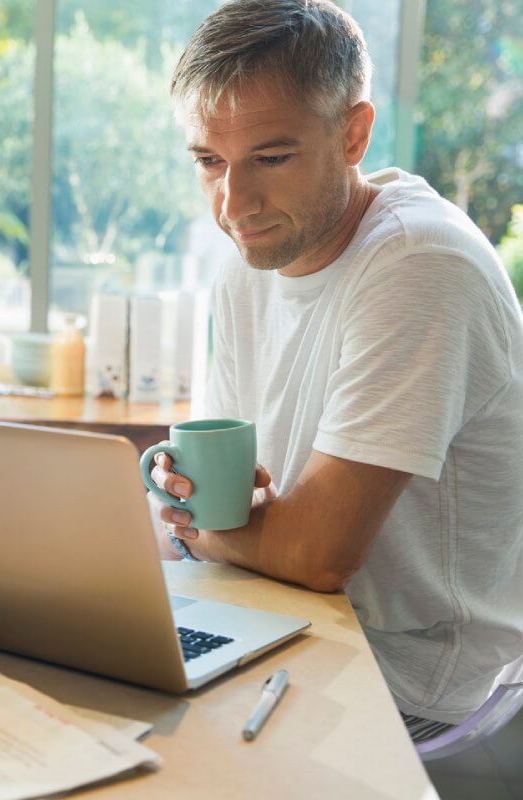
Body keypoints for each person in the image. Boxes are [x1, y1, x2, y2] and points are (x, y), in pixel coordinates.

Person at [148, 0, 523, 738]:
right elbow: (242, 507)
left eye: (271, 158)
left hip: (415, 678)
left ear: (353, 134)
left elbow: (317, 556)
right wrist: (196, 510)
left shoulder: (420, 264)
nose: (233, 205)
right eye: (209, 161)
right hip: (286, 623)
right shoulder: (249, 267)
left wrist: (196, 529)